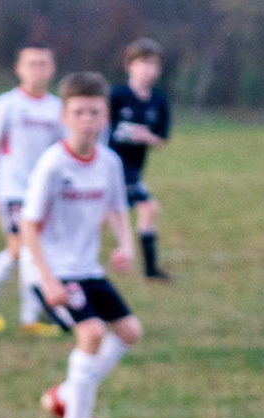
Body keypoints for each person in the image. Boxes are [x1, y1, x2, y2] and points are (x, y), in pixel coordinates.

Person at [24, 73, 142, 418]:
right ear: (65, 117)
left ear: (105, 116)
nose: (87, 120)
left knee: (129, 332)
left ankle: (66, 394)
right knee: (91, 334)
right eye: (79, 112)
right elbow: (28, 226)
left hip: (87, 268)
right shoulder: (53, 164)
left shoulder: (109, 163)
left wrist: (126, 245)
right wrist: (46, 280)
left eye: (94, 112)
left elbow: (118, 210)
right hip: (52, 270)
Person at [0, 44, 61, 334]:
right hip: (13, 189)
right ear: (19, 69)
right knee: (22, 248)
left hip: (41, 192)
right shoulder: (7, 103)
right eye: (31, 63)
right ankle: (24, 314)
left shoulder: (56, 107)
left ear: (52, 68)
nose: (38, 69)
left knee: (33, 250)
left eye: (43, 63)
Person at [109, 38, 171, 280]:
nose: (149, 69)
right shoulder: (117, 95)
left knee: (144, 211)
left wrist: (147, 137)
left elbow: (161, 138)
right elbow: (103, 129)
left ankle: (149, 269)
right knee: (147, 208)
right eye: (143, 63)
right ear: (130, 66)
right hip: (114, 168)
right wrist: (128, 131)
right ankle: (147, 268)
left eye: (154, 64)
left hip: (135, 168)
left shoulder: (159, 100)